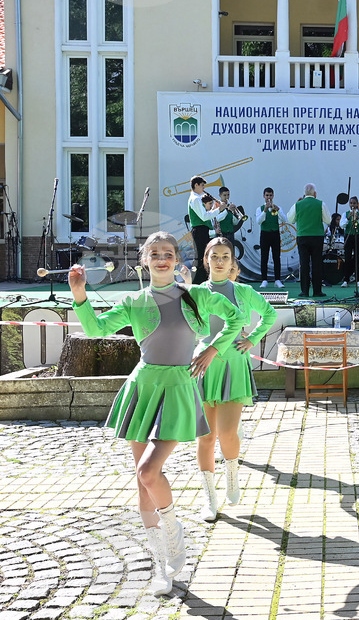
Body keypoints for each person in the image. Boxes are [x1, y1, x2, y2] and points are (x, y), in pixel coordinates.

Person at [67, 232, 242, 595]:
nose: (162, 259)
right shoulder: (133, 301)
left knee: (149, 470)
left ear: (177, 260)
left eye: (168, 253)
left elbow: (235, 321)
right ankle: (160, 564)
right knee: (143, 480)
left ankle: (174, 529)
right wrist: (79, 293)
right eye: (154, 253)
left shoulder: (197, 296)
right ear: (144, 260)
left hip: (179, 386)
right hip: (143, 387)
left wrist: (212, 350)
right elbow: (95, 328)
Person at [195, 238, 277, 523]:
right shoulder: (194, 292)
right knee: (206, 436)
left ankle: (231, 473)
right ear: (206, 260)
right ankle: (209, 498)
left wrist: (252, 338)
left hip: (234, 364)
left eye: (225, 256)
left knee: (228, 433)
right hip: (203, 367)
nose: (219, 261)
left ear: (232, 263)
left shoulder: (243, 291)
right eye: (214, 256)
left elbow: (269, 314)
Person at [287, 183, 331, 298]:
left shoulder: (297, 204)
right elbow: (328, 220)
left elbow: (290, 219)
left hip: (303, 236)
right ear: (315, 193)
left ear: (304, 193)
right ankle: (317, 291)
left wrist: (298, 206)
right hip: (317, 237)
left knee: (304, 264)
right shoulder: (321, 204)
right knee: (317, 264)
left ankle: (305, 291)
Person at [188, 176, 225, 283]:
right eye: (202, 185)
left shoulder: (197, 198)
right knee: (201, 257)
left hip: (202, 230)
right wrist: (219, 209)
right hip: (199, 230)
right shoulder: (195, 199)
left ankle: (203, 280)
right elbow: (204, 217)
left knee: (205, 256)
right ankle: (199, 282)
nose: (204, 187)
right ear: (196, 185)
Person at [255, 187, 286, 288]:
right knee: (264, 257)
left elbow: (284, 220)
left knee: (276, 257)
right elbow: (259, 221)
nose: (269, 197)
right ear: (264, 196)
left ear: (273, 196)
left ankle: (277, 280)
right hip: (265, 234)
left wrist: (278, 210)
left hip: (275, 234)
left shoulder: (277, 207)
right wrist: (264, 210)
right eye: (267, 195)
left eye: (270, 195)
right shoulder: (259, 209)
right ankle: (264, 280)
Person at [341, 196, 359, 288]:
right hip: (348, 236)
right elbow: (342, 225)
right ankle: (346, 280)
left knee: (356, 258)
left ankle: (358, 280)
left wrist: (358, 219)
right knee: (347, 258)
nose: (352, 205)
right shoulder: (345, 214)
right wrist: (348, 218)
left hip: (357, 236)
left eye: (354, 203)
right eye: (351, 203)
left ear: (357, 204)